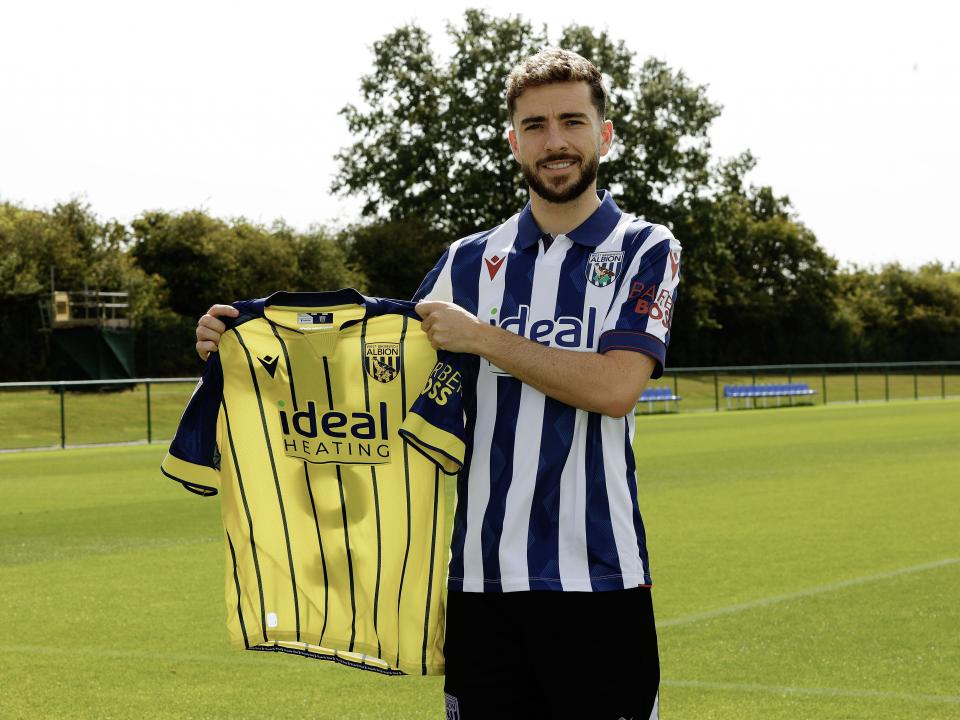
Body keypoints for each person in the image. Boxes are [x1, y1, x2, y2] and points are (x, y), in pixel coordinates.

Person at [196, 48, 679, 720]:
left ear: (606, 133)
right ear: (513, 142)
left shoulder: (645, 248)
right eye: (535, 126)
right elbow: (370, 373)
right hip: (480, 585)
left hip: (600, 578)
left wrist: (483, 337)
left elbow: (616, 387)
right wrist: (248, 351)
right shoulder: (467, 262)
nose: (556, 141)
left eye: (573, 121)